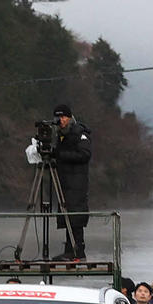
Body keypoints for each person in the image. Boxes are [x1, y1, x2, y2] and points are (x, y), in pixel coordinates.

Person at [51, 104, 92, 260]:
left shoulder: (80, 133)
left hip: (77, 182)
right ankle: (70, 250)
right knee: (67, 214)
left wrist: (60, 154)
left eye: (63, 117)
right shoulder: (61, 135)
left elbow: (85, 155)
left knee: (75, 215)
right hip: (65, 182)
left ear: (70, 117)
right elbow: (63, 155)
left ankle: (78, 251)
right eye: (58, 117)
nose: (60, 120)